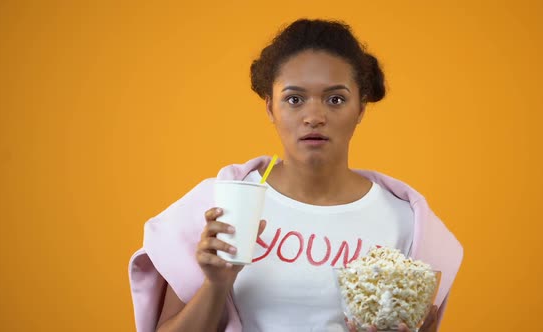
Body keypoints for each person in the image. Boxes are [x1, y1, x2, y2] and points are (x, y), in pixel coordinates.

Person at [128, 19, 463, 332]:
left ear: (360, 108)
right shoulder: (223, 205)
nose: (314, 116)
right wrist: (217, 284)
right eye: (294, 99)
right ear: (270, 107)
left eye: (335, 99)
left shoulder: (405, 222)